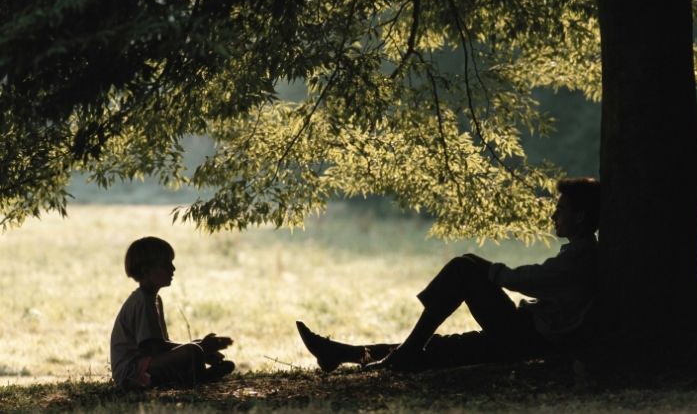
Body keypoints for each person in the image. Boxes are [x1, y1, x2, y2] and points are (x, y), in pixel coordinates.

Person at [296, 177, 600, 372]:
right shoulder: (580, 253)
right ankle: (340, 352)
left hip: (526, 337)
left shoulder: (581, 257)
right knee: (440, 349)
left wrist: (488, 269)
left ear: (581, 216)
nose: (553, 215)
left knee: (463, 269)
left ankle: (402, 350)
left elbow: (526, 280)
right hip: (523, 332)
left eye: (561, 209)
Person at [110, 236, 235, 389]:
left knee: (194, 346)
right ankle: (199, 380)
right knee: (193, 349)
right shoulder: (143, 301)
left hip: (144, 365)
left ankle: (193, 377)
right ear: (146, 270)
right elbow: (153, 348)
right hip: (131, 374)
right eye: (166, 264)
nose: (173, 268)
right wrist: (202, 348)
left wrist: (200, 347)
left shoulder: (153, 299)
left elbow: (160, 346)